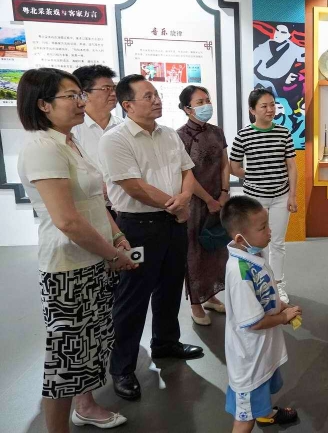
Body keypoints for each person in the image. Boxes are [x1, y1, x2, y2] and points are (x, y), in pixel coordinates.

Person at [16, 68, 137, 432]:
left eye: (80, 94)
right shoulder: (43, 147)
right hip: (68, 268)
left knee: (90, 347)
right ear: (43, 104)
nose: (81, 102)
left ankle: (85, 407)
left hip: (93, 259)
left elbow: (95, 202)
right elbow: (67, 220)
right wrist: (112, 254)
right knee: (64, 361)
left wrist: (117, 236)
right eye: (71, 96)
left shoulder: (69, 142)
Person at [99, 74, 203, 401]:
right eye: (148, 96)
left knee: (170, 287)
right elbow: (133, 186)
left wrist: (184, 199)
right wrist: (176, 205)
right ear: (127, 105)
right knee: (132, 297)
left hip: (173, 223)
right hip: (138, 227)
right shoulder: (115, 139)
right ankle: (122, 367)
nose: (156, 100)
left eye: (156, 94)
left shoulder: (169, 134)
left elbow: (187, 171)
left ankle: (166, 342)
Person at [220, 196, 301, 432]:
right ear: (240, 239)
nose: (269, 231)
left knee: (263, 386)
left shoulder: (254, 256)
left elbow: (264, 291)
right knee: (245, 418)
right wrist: (283, 318)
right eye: (262, 228)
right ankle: (256, 416)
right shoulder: (240, 272)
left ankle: (265, 413)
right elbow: (253, 322)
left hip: (262, 351)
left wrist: (280, 306)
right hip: (249, 359)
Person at [229, 88, 297, 304]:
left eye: (272, 105)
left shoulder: (284, 133)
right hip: (255, 199)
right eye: (264, 106)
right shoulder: (243, 135)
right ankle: (261, 284)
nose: (270, 109)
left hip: (280, 196)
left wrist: (293, 195)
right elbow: (233, 166)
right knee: (257, 243)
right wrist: (251, 175)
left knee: (277, 243)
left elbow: (291, 166)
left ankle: (278, 284)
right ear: (252, 110)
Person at [177, 85, 230, 325]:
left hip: (219, 199)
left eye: (207, 100)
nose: (206, 105)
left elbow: (224, 164)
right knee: (194, 253)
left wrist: (224, 193)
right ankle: (196, 304)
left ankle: (211, 296)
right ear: (187, 108)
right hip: (195, 203)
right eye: (200, 102)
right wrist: (208, 199)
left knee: (216, 249)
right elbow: (185, 174)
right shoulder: (180, 136)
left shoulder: (217, 132)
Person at [71, 65, 123, 218]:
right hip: (88, 207)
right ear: (84, 94)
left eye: (114, 88)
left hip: (124, 207)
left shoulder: (124, 127)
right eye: (106, 89)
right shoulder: (72, 129)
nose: (113, 93)